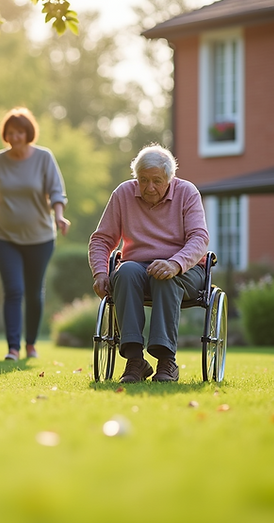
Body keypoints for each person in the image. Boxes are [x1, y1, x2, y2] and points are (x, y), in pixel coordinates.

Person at [88, 145, 209, 383]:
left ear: (170, 179)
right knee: (125, 271)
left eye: (157, 181)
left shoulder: (187, 193)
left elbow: (199, 238)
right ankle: (135, 361)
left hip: (185, 269)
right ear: (136, 178)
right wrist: (100, 272)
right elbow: (101, 239)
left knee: (164, 278)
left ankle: (166, 361)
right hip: (138, 267)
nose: (149, 187)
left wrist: (175, 264)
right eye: (143, 180)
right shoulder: (123, 194)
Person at [0, 107, 70, 361]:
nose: (16, 137)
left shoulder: (43, 157)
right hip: (4, 236)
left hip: (40, 237)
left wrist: (60, 215)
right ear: (5, 135)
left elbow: (56, 192)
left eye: (20, 132)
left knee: (33, 291)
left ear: (28, 133)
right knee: (14, 290)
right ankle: (12, 348)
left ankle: (30, 344)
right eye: (11, 132)